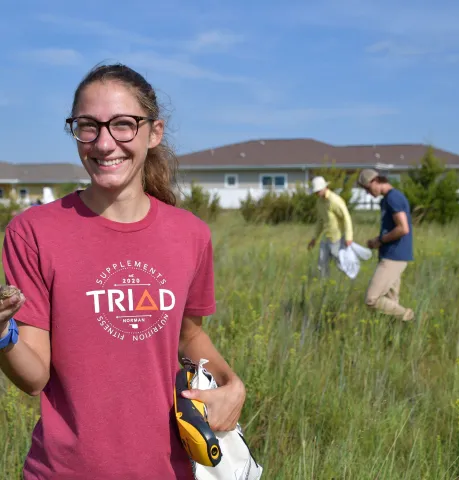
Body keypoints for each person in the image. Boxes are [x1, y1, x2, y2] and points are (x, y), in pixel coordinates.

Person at [0, 63, 246, 479]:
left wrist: (231, 384)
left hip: (170, 468)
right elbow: (34, 377)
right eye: (88, 126)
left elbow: (188, 333)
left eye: (123, 125)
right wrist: (3, 334)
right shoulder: (33, 232)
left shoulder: (190, 234)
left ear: (154, 133)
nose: (104, 142)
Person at [357, 169, 415, 321]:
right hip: (390, 254)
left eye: (368, 189)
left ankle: (410, 316)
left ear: (375, 181)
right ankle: (396, 335)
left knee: (372, 299)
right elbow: (392, 229)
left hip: (394, 257)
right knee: (391, 303)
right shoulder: (386, 200)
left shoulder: (393, 198)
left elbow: (403, 228)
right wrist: (377, 241)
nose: (368, 193)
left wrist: (380, 240)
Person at [307, 176, 354, 277]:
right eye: (316, 191)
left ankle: (349, 280)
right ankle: (323, 285)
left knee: (340, 263)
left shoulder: (335, 200)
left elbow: (346, 218)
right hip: (326, 237)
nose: (317, 193)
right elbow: (320, 221)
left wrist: (348, 237)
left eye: (318, 190)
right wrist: (314, 238)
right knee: (322, 263)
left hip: (337, 237)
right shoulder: (319, 202)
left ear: (324, 188)